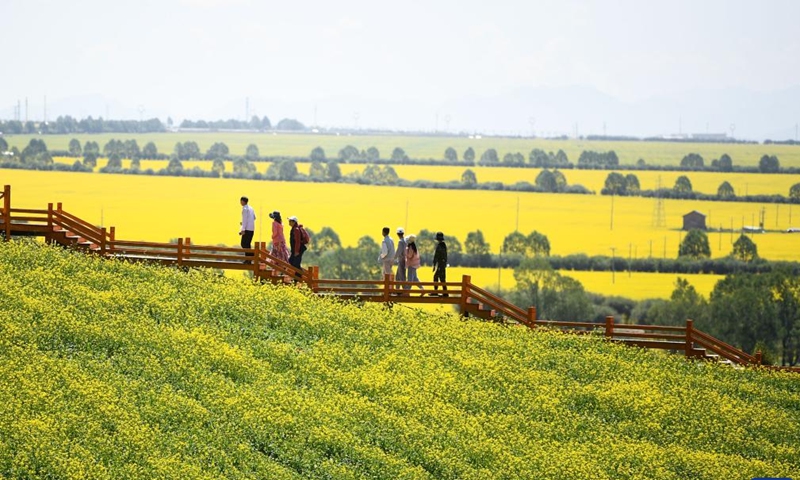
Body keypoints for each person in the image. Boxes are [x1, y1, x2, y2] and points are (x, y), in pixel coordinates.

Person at [239, 196, 256, 263]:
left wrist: (242, 229)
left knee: (244, 244)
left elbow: (245, 219)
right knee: (247, 244)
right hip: (251, 228)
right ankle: (248, 259)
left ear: (243, 201)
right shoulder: (251, 208)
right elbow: (254, 217)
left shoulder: (245, 209)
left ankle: (251, 256)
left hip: (246, 229)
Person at [432, 231, 448, 296]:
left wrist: (434, 264)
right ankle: (445, 292)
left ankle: (436, 292)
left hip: (440, 264)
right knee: (442, 278)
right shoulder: (444, 245)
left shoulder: (440, 246)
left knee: (436, 277)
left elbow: (437, 256)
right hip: (442, 264)